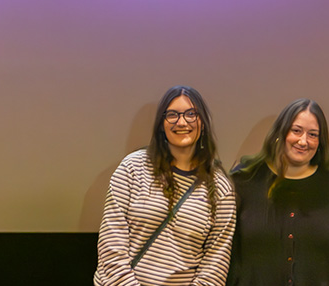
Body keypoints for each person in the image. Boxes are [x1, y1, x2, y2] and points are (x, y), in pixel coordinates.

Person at [94, 86, 236, 286]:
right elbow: (111, 248)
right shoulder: (132, 168)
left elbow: (215, 267)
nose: (182, 122)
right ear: (162, 124)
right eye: (172, 115)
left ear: (202, 123)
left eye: (191, 114)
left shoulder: (220, 186)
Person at [227, 98, 329, 286]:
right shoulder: (245, 179)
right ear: (281, 131)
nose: (303, 141)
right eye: (296, 131)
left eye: (313, 134)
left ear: (321, 141)